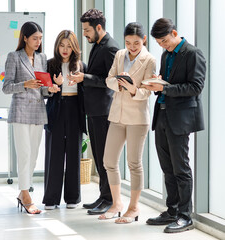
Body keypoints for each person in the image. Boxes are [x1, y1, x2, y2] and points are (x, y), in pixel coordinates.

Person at [143, 18, 206, 233]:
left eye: (164, 40)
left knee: (181, 168)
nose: (162, 45)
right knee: (167, 168)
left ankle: (185, 215)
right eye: (159, 42)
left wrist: (166, 88)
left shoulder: (192, 53)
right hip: (161, 115)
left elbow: (196, 87)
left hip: (180, 118)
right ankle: (172, 210)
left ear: (174, 32)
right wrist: (158, 82)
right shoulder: (165, 54)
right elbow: (167, 82)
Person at [98, 22, 155, 223]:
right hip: (117, 116)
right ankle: (117, 204)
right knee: (109, 161)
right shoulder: (120, 55)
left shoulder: (149, 60)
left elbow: (148, 91)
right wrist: (121, 85)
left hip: (137, 119)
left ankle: (134, 207)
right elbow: (109, 79)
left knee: (134, 164)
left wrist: (133, 89)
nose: (132, 47)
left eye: (136, 43)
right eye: (128, 42)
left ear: (144, 40)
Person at [2, 21, 59, 214]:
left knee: (33, 155)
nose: (38, 41)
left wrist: (49, 90)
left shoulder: (42, 58)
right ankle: (25, 194)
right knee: (24, 153)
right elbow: (6, 87)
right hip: (20, 112)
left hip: (38, 112)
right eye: (34, 38)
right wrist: (25, 84)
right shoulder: (14, 57)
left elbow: (41, 89)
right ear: (25, 38)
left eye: (40, 38)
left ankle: (23, 192)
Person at [68, 8, 120, 215]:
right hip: (94, 110)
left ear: (99, 27)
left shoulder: (110, 48)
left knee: (106, 158)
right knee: (98, 156)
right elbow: (97, 72)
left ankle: (110, 199)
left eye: (87, 30)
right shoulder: (98, 44)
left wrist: (85, 78)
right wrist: (84, 73)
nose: (85, 35)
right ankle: (103, 196)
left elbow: (111, 81)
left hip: (104, 111)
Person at [42, 30, 87, 210]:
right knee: (54, 154)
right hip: (56, 110)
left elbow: (86, 90)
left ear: (74, 47)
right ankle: (51, 199)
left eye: (69, 46)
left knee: (74, 153)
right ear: (57, 46)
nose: (65, 49)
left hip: (75, 108)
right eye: (62, 45)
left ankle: (72, 198)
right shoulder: (50, 65)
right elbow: (43, 91)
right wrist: (55, 86)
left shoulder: (81, 65)